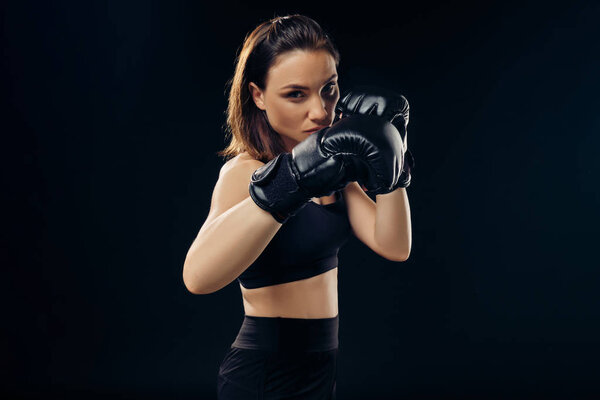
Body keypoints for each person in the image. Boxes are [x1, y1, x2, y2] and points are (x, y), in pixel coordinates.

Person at [183, 14, 413, 399]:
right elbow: (197, 277)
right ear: (258, 95)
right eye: (296, 94)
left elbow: (394, 245)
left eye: (329, 90)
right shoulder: (247, 171)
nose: (321, 112)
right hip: (264, 372)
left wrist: (395, 164)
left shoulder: (336, 166)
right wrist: (289, 181)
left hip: (321, 367)